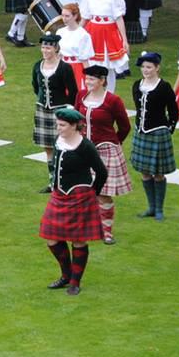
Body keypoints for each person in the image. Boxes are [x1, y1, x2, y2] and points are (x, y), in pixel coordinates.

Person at [39, 107, 106, 295]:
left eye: (62, 125)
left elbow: (102, 172)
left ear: (75, 126)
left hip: (80, 196)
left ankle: (75, 282)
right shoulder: (59, 141)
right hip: (59, 195)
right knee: (51, 238)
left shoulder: (86, 146)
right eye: (58, 124)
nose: (58, 128)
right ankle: (66, 275)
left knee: (78, 241)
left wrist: (93, 192)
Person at [76, 64, 132, 243]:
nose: (88, 82)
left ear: (102, 81)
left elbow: (125, 126)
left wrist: (114, 142)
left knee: (102, 193)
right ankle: (86, 227)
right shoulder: (81, 96)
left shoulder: (113, 101)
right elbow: (76, 120)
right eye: (87, 79)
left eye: (92, 79)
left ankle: (106, 231)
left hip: (105, 150)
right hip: (84, 150)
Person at [130, 51, 179, 220]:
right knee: (144, 171)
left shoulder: (164, 87)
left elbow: (173, 109)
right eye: (143, 67)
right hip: (141, 131)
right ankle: (150, 207)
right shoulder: (137, 85)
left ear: (157, 68)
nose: (146, 70)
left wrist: (169, 128)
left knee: (158, 173)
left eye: (149, 67)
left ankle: (159, 208)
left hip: (158, 132)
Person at [81, 0, 130, 86]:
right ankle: (94, 91)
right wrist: (77, 33)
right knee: (92, 63)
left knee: (109, 66)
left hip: (109, 31)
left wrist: (124, 39)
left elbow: (119, 19)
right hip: (93, 30)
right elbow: (85, 17)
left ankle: (109, 92)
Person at [56, 2, 94, 93]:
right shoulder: (60, 32)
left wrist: (88, 80)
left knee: (75, 95)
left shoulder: (83, 35)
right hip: (62, 66)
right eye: (62, 15)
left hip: (76, 69)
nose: (64, 19)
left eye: (67, 16)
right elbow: (58, 54)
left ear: (75, 16)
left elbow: (85, 61)